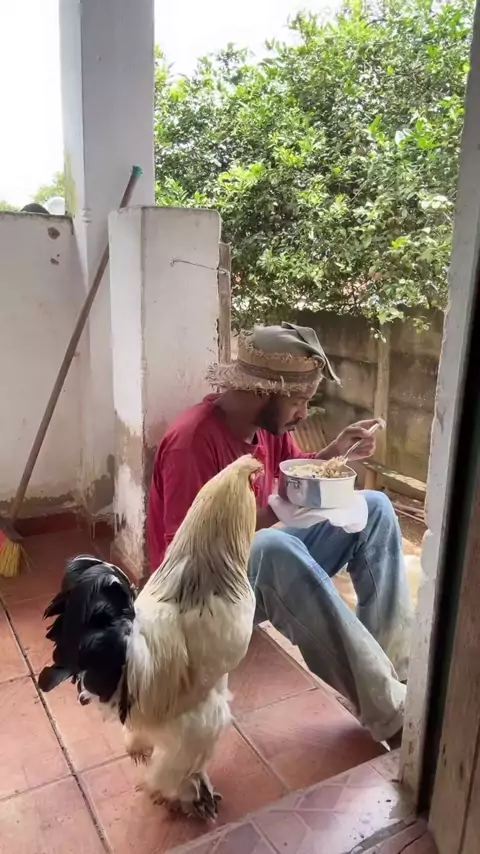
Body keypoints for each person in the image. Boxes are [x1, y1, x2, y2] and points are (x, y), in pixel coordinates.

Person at [147, 322, 412, 746]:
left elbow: (296, 477)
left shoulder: (265, 429)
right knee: (273, 544)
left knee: (375, 508)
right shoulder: (192, 441)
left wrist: (335, 454)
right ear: (261, 391)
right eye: (297, 402)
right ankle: (393, 716)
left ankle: (394, 674)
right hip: (198, 600)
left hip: (249, 576)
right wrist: (271, 514)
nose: (303, 414)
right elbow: (187, 553)